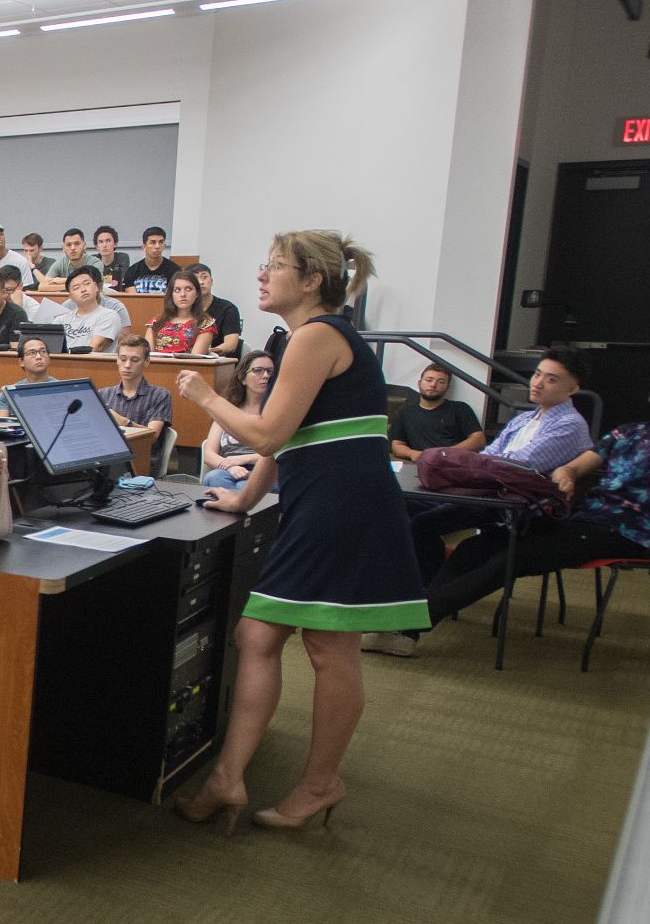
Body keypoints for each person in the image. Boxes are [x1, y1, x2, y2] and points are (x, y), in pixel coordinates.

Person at [171, 230, 424, 834]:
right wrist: (244, 499)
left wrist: (203, 391)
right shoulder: (308, 339)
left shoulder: (317, 336)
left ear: (312, 281)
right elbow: (290, 444)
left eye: (275, 266)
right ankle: (228, 778)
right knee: (258, 635)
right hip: (324, 503)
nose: (262, 275)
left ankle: (318, 783)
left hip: (340, 507)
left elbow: (266, 436)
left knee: (327, 649)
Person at [372, 359, 650, 658]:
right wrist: (567, 472)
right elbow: (583, 461)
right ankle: (419, 614)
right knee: (476, 547)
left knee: (511, 558)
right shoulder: (632, 432)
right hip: (587, 519)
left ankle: (409, 627)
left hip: (630, 532)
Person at [401, 349, 601, 580]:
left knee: (424, 523)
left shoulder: (570, 424)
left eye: (551, 379)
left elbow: (518, 465)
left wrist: (467, 466)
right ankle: (423, 581)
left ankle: (427, 590)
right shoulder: (525, 418)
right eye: (537, 374)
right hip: (488, 492)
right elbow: (487, 456)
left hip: (518, 506)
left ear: (573, 389)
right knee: (403, 504)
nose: (538, 383)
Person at [201, 351, 273, 488]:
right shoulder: (227, 409)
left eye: (270, 372)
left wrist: (244, 459)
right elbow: (209, 454)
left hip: (263, 471)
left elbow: (279, 453)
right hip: (227, 469)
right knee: (214, 478)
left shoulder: (277, 413)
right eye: (258, 371)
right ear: (242, 377)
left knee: (242, 486)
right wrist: (230, 468)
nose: (265, 376)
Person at [386, 364, 485, 460]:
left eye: (441, 382)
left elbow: (478, 440)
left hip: (452, 464)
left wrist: (445, 453)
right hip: (419, 464)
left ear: (447, 387)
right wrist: (413, 454)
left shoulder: (460, 409)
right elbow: (397, 445)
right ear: (419, 383)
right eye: (429, 380)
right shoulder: (405, 411)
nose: (433, 385)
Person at [38, 264, 129, 352]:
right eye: (76, 288)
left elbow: (95, 348)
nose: (83, 289)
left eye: (87, 284)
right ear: (71, 296)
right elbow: (50, 348)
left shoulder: (109, 315)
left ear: (96, 287)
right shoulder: (60, 320)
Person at [100, 335, 174, 428]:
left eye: (135, 360)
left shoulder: (160, 395)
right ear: (117, 360)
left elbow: (152, 436)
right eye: (123, 359)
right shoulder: (102, 394)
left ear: (146, 362)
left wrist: (124, 422)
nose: (127, 365)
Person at [147, 273, 216, 355]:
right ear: (171, 295)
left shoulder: (205, 324)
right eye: (177, 290)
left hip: (189, 367)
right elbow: (147, 356)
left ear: (197, 293)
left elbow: (196, 359)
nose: (183, 294)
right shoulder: (156, 322)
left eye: (188, 289)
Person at [0, 335, 58, 414]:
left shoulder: (62, 390)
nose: (39, 357)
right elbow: (1, 425)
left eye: (43, 352)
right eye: (32, 353)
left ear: (49, 359)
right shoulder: (9, 393)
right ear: (21, 362)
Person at [188, 263, 243, 357]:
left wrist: (203, 352)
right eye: (196, 279)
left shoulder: (228, 309)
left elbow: (230, 345)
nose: (201, 282)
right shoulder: (184, 309)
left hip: (216, 361)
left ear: (211, 281)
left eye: (204, 277)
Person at [121, 227, 181, 294]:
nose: (157, 246)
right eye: (153, 242)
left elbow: (170, 298)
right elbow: (133, 299)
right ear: (144, 247)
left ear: (164, 246)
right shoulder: (132, 271)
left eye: (161, 242)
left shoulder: (175, 271)